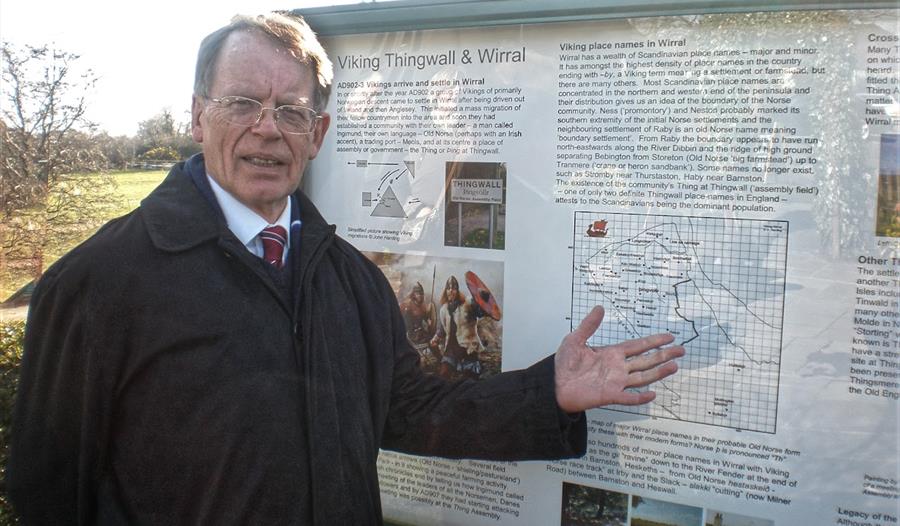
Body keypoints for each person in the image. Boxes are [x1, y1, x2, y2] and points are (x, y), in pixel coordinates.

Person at [6, 12, 685, 525]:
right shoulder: (98, 287)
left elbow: (412, 411)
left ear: (318, 135)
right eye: (242, 103)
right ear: (197, 116)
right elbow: (50, 495)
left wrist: (548, 394)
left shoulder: (349, 278)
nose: (268, 129)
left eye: (292, 111)